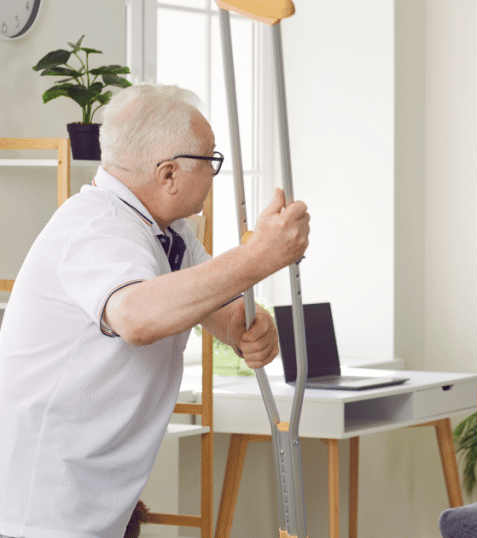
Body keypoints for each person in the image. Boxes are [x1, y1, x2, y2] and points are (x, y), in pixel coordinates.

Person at [0, 84, 310, 538]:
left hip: (100, 497)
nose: (214, 172)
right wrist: (258, 256)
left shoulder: (166, 232)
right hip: (44, 507)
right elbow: (137, 317)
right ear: (168, 174)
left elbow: (210, 302)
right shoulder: (96, 227)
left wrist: (244, 327)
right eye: (210, 160)